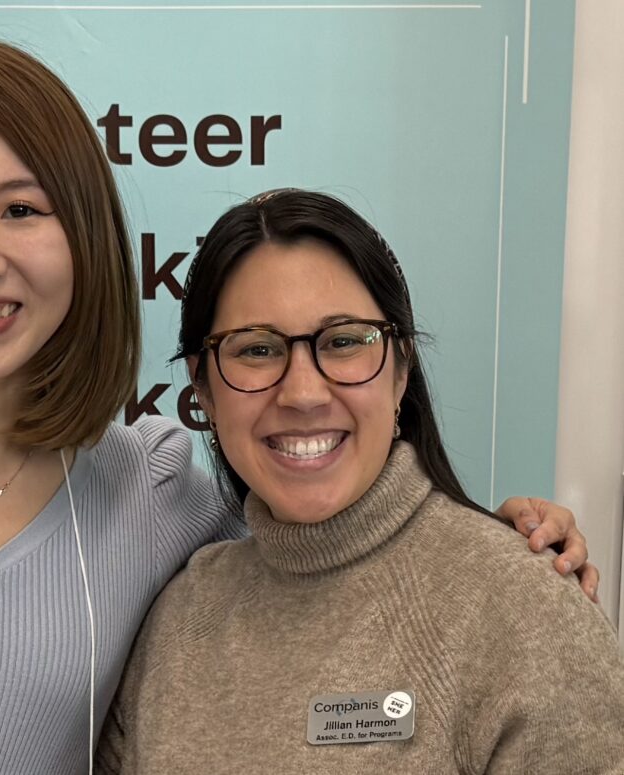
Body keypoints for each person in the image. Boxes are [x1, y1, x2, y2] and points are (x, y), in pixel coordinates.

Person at [0, 39, 597, 775]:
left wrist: (508, 536)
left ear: (86, 238)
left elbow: (328, 534)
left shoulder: (152, 489)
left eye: (23, 208)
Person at [96, 189, 624, 774]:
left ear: (401, 370)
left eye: (343, 341)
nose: (301, 392)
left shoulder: (525, 610)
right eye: (257, 350)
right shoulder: (176, 621)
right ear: (204, 392)